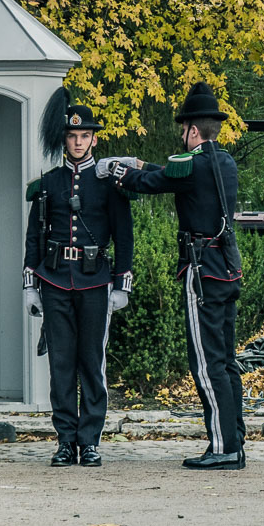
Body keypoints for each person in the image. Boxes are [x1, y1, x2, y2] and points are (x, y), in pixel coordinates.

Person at [101, 81, 245, 469]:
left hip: (203, 272)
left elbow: (153, 182)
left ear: (193, 131)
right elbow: (171, 173)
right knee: (227, 361)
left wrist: (119, 171)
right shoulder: (224, 161)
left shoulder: (193, 166)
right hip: (226, 271)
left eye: (183, 130)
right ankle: (235, 440)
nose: (181, 136)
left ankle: (222, 447)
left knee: (206, 362)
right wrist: (140, 162)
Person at [23, 87, 134, 467]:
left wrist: (122, 284)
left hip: (95, 282)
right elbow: (34, 235)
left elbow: (124, 234)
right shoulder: (49, 182)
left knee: (92, 363)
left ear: (94, 139)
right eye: (72, 136)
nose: (78, 142)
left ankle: (89, 440)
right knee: (61, 366)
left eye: (84, 136)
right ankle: (65, 441)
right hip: (54, 281)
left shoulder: (106, 182)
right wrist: (30, 284)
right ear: (64, 138)